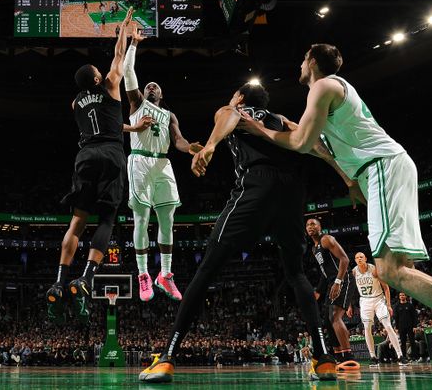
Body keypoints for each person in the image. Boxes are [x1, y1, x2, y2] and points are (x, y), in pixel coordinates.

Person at [239, 43, 432, 379]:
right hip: (386, 168)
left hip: (381, 168)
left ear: (311, 61)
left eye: (301, 59)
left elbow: (301, 143)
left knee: (393, 272)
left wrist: (258, 129)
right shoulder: (334, 91)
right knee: (405, 271)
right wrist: (348, 180)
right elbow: (319, 144)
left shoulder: (322, 86)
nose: (299, 64)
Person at [139, 83, 338, 383]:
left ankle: (167, 357)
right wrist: (346, 176)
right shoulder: (281, 119)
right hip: (293, 192)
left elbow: (229, 116)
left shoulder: (235, 109)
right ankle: (323, 359)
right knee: (296, 274)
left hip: (256, 186)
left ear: (241, 97)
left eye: (234, 96)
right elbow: (314, 144)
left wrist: (209, 146)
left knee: (205, 271)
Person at [46, 8, 135, 325]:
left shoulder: (75, 104)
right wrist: (124, 30)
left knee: (77, 222)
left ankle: (59, 279)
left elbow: (102, 123)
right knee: (107, 219)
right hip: (111, 154)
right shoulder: (110, 85)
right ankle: (85, 277)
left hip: (84, 155)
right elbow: (119, 56)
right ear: (98, 78)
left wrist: (130, 128)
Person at [121, 26, 201, 301]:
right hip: (140, 162)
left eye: (155, 85)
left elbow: (177, 141)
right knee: (141, 220)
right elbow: (128, 72)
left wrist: (191, 149)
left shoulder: (169, 114)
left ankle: (165, 275)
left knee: (167, 220)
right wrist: (134, 44)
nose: (150, 86)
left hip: (163, 164)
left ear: (162, 93)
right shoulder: (136, 104)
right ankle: (143, 274)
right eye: (147, 85)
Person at [305, 218, 357, 367]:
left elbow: (345, 259)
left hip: (343, 278)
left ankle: (349, 355)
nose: (310, 227)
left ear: (320, 227)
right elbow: (324, 273)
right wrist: (318, 291)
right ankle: (339, 355)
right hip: (330, 283)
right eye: (308, 225)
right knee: (328, 321)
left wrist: (338, 282)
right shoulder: (314, 248)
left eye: (313, 224)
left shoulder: (326, 239)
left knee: (335, 316)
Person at [352, 252, 405, 366]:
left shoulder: (374, 270)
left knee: (388, 326)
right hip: (365, 300)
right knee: (366, 328)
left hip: (378, 299)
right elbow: (351, 289)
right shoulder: (354, 271)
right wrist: (349, 305)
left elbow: (386, 288)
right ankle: (373, 357)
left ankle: (400, 355)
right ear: (355, 260)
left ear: (365, 258)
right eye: (357, 258)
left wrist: (389, 305)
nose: (359, 259)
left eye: (361, 257)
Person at [394, 292, 420, 361]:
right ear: (399, 297)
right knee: (403, 342)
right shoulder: (397, 306)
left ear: (405, 296)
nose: (402, 296)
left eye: (403, 295)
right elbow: (396, 318)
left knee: (412, 341)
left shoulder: (410, 305)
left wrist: (415, 326)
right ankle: (404, 357)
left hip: (410, 326)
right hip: (401, 327)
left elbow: (414, 316)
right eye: (400, 295)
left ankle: (414, 357)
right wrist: (396, 328)